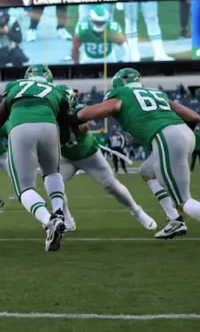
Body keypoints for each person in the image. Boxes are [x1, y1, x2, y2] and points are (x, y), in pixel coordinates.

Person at [76, 68, 200, 250]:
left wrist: (71, 116)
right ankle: (174, 220)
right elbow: (194, 116)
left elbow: (85, 115)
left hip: (167, 137)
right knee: (146, 170)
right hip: (184, 133)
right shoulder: (156, 93)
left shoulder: (121, 94)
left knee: (183, 201)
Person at [0, 64, 69, 252]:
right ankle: (58, 212)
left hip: (21, 126)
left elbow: (0, 114)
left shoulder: (16, 86)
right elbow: (65, 121)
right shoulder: (56, 90)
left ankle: (48, 221)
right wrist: (63, 141)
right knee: (53, 173)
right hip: (50, 126)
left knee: (24, 188)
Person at [56, 85, 156, 232]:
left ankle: (136, 210)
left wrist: (66, 123)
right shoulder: (49, 114)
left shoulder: (79, 109)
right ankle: (67, 219)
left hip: (89, 155)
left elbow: (85, 127)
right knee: (54, 187)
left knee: (112, 186)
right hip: (66, 158)